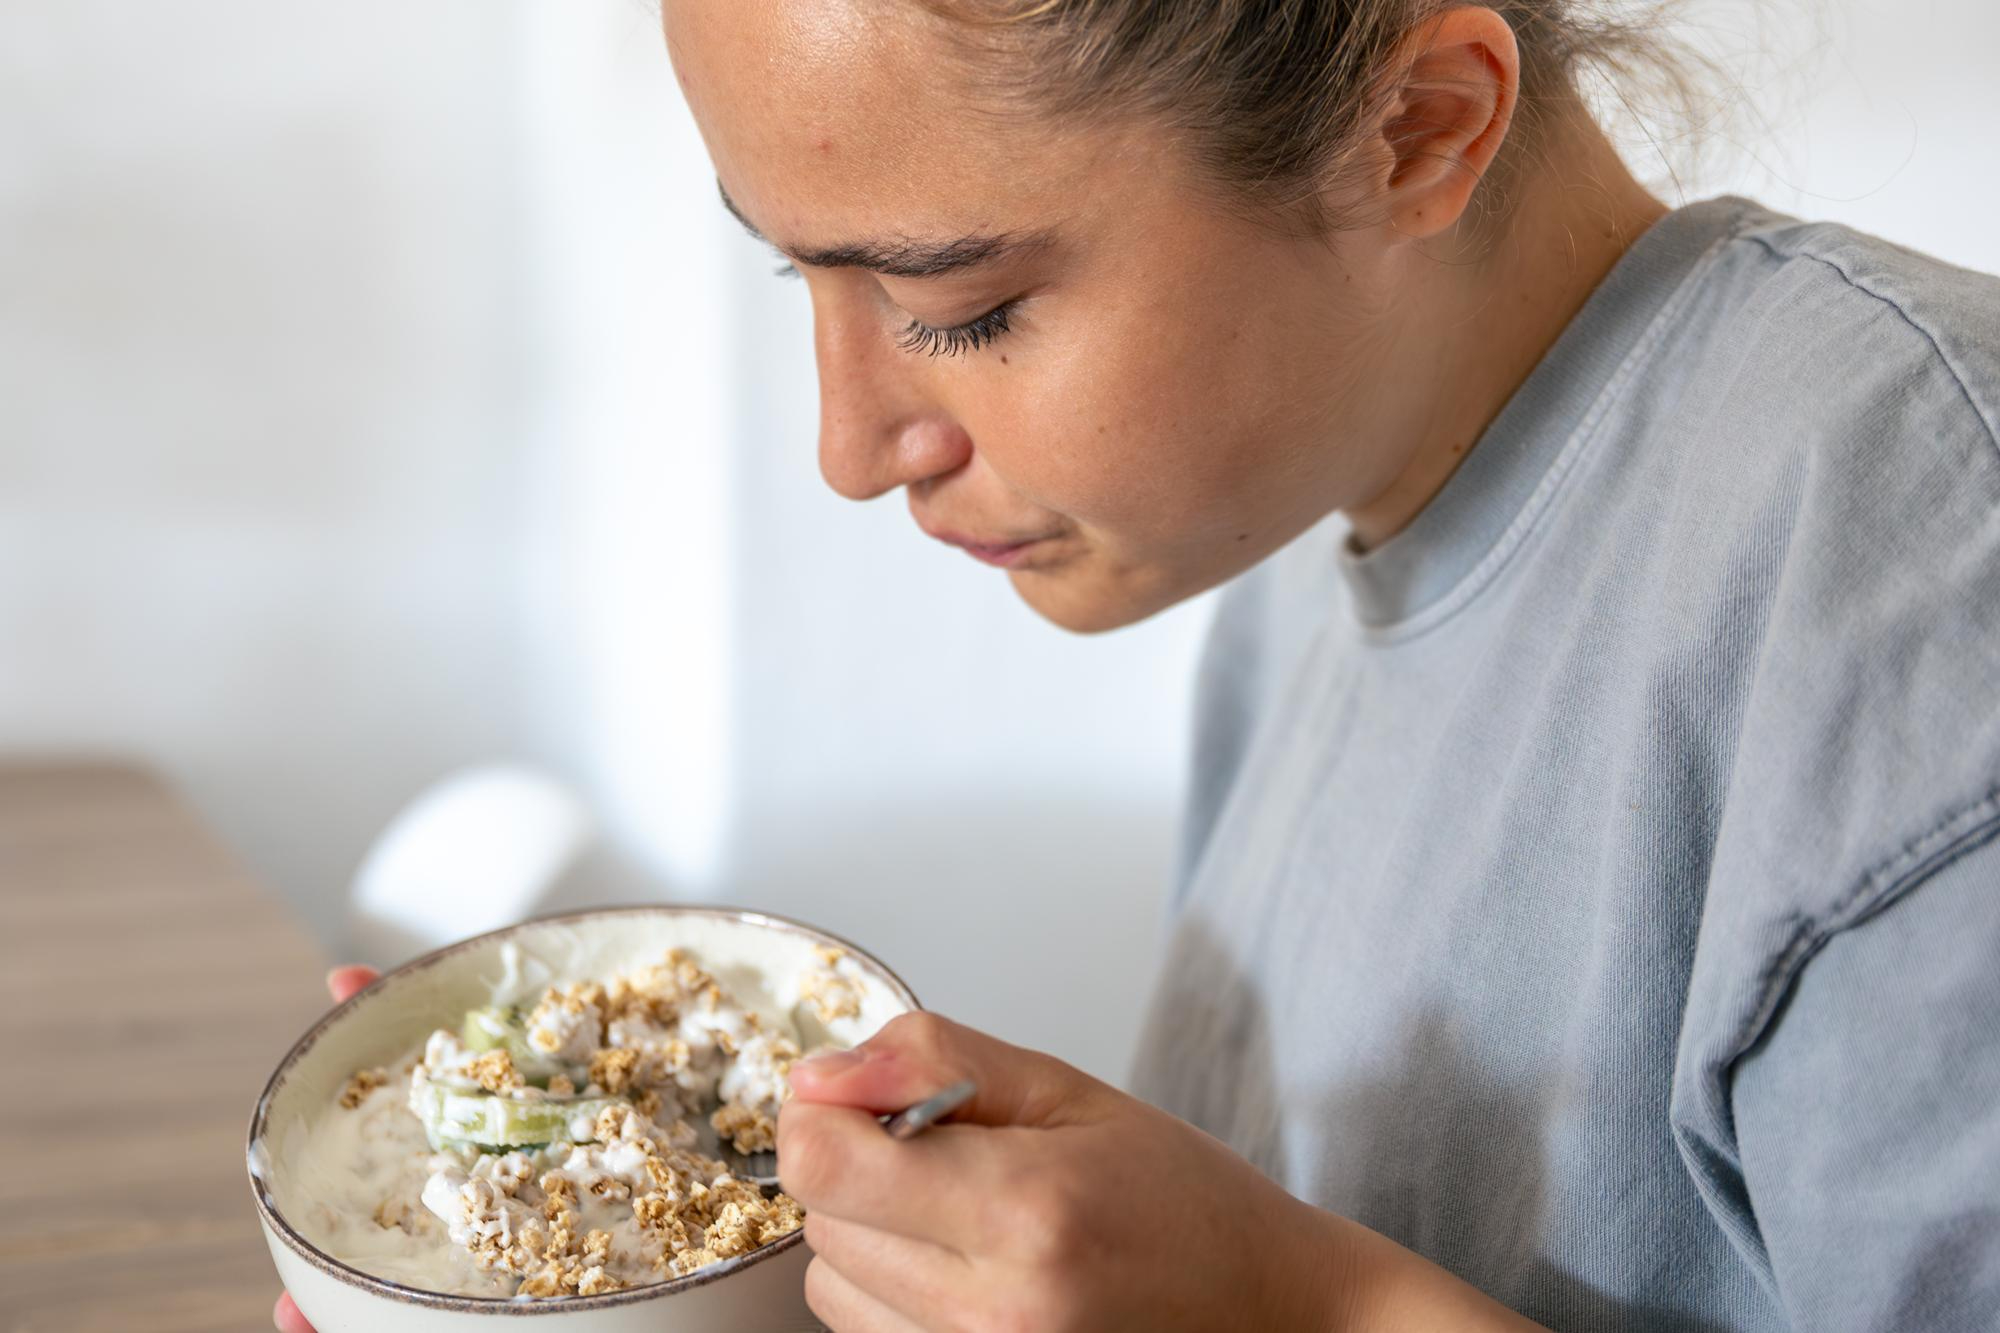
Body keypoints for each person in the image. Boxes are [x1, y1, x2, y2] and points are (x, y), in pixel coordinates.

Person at [281, 1, 2000, 1329]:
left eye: (957, 306)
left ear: (1419, 128)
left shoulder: (1918, 585)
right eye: (798, 270)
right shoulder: (1298, 528)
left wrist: (1307, 1309)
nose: (852, 444)